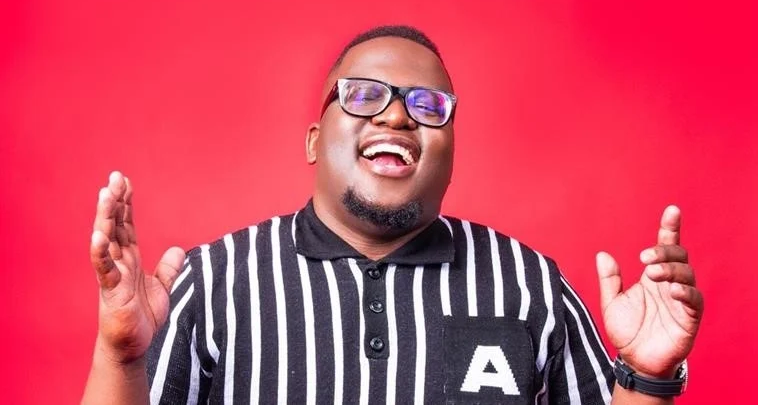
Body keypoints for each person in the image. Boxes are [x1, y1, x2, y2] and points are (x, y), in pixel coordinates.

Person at [82, 25, 703, 404]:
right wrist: (121, 356)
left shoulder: (531, 286)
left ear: (451, 151)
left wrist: (647, 377)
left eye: (429, 105)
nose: (398, 115)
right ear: (313, 140)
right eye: (362, 95)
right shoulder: (215, 283)